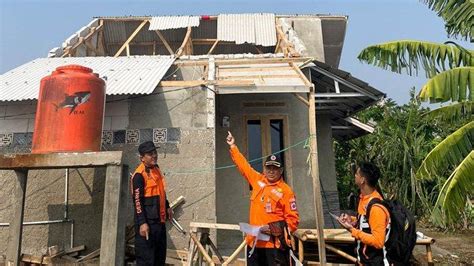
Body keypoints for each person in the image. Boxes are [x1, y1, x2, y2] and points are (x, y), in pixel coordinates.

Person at [226, 131, 299, 266]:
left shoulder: (286, 191)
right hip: (253, 243)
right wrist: (233, 146)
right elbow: (244, 167)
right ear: (264, 169)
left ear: (281, 171)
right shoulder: (257, 180)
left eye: (275, 168)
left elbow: (293, 221)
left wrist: (275, 229)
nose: (271, 171)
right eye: (268, 168)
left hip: (273, 246)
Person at [337, 162, 390, 265]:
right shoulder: (363, 199)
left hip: (375, 262)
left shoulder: (376, 208)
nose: (354, 176)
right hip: (364, 260)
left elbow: (378, 241)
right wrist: (351, 220)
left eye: (357, 174)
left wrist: (352, 230)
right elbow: (366, 223)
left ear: (362, 180)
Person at [131, 141, 173, 266]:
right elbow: (137, 202)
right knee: (147, 260)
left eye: (155, 152)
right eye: (150, 154)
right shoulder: (139, 175)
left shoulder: (157, 169)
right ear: (142, 158)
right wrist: (143, 224)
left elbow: (161, 191)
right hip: (147, 224)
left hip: (159, 222)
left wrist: (167, 206)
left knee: (159, 257)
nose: (154, 155)